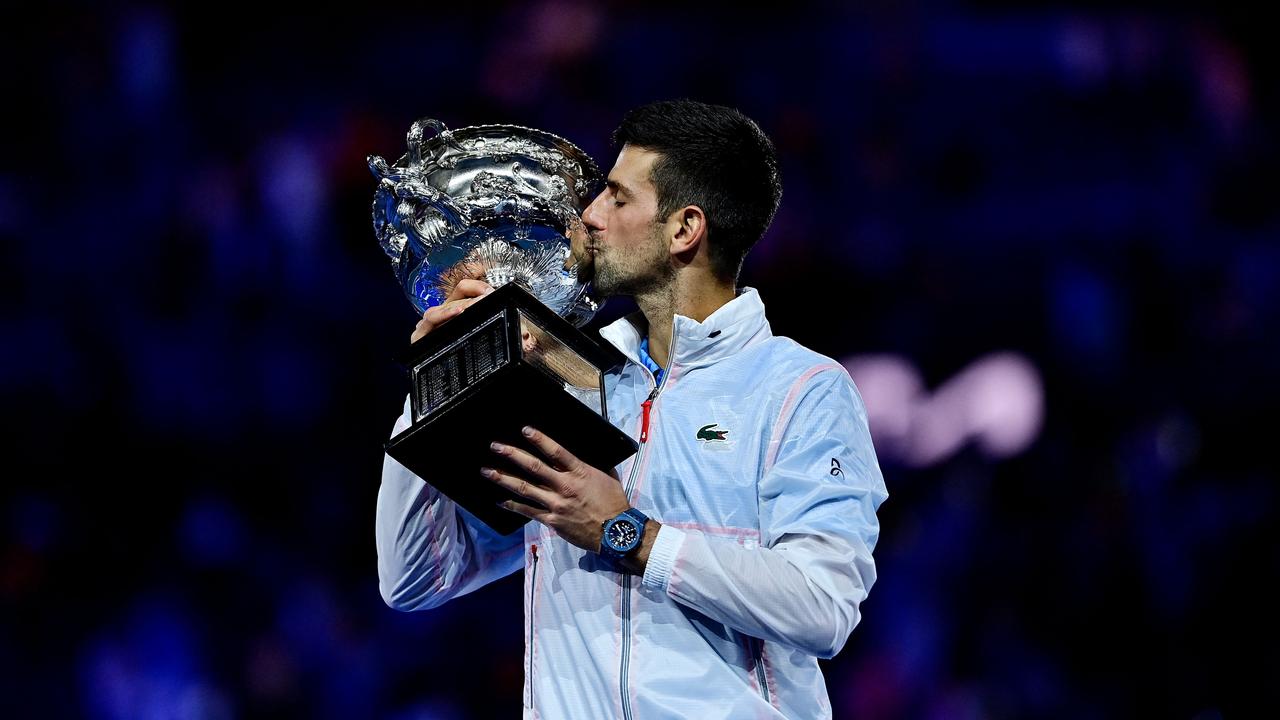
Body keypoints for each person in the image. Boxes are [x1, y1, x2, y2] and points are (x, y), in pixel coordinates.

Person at [376, 99, 888, 719]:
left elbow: (822, 608)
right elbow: (414, 579)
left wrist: (632, 537)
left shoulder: (801, 389)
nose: (587, 216)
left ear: (683, 228)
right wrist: (439, 379)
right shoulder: (571, 380)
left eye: (617, 198)